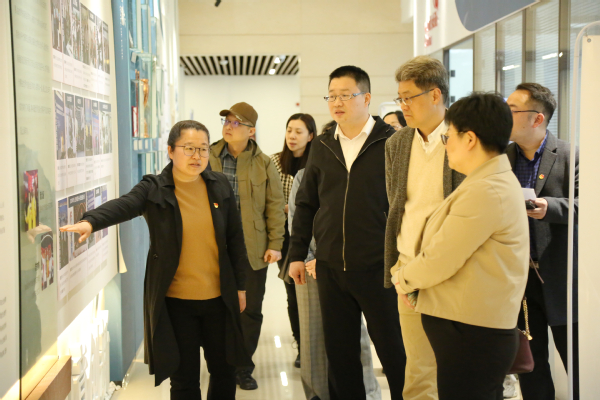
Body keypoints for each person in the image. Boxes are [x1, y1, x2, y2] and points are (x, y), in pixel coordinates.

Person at [59, 121, 252, 400]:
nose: (197, 156)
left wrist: (241, 287)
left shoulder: (218, 185)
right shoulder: (155, 188)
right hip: (176, 304)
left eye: (203, 149)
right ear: (171, 151)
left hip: (219, 300)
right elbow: (125, 204)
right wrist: (91, 221)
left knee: (224, 372)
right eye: (189, 148)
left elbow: (235, 239)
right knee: (184, 381)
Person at [394, 92, 529, 400]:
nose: (446, 145)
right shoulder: (486, 181)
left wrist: (402, 279)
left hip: (472, 333)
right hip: (470, 329)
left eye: (448, 136)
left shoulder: (486, 189)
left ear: (469, 139)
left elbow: (440, 258)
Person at [289, 65, 406, 400]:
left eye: (345, 95)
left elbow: (407, 203)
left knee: (395, 353)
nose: (336, 102)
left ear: (366, 98)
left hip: (379, 268)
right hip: (332, 269)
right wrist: (297, 254)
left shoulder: (392, 141)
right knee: (341, 358)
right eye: (331, 96)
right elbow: (306, 204)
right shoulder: (322, 145)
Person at [385, 55, 465, 400]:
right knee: (418, 371)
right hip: (409, 270)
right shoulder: (398, 143)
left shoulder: (465, 138)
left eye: (409, 97)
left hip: (455, 271)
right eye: (400, 98)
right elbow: (396, 206)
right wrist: (399, 268)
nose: (403, 105)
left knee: (459, 367)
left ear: (435, 95)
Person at [289, 121, 382, 400]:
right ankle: (318, 393)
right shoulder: (312, 164)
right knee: (326, 343)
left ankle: (370, 391)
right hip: (321, 265)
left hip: (366, 265)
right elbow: (301, 213)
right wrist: (306, 257)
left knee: (370, 343)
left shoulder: (379, 151)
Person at [506, 83, 580, 400]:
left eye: (512, 110)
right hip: (519, 280)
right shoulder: (501, 158)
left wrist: (550, 207)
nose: (504, 115)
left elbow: (588, 206)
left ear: (537, 118)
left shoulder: (570, 155)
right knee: (531, 367)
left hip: (563, 279)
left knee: (577, 363)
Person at [208, 102, 286, 390]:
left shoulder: (264, 163)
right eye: (226, 121)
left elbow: (275, 205)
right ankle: (221, 365)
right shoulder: (208, 156)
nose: (229, 127)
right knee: (216, 309)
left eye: (236, 123)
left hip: (252, 249)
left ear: (251, 131)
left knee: (250, 311)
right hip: (213, 247)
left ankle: (243, 367)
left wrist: (275, 243)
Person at [270, 113, 316, 368]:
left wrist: (291, 208)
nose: (292, 136)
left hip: (313, 234)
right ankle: (301, 345)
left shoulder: (318, 162)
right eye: (289, 130)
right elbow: (272, 201)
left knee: (315, 293)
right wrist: (289, 209)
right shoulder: (275, 162)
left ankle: (315, 344)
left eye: (299, 131)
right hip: (286, 237)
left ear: (310, 136)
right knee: (293, 291)